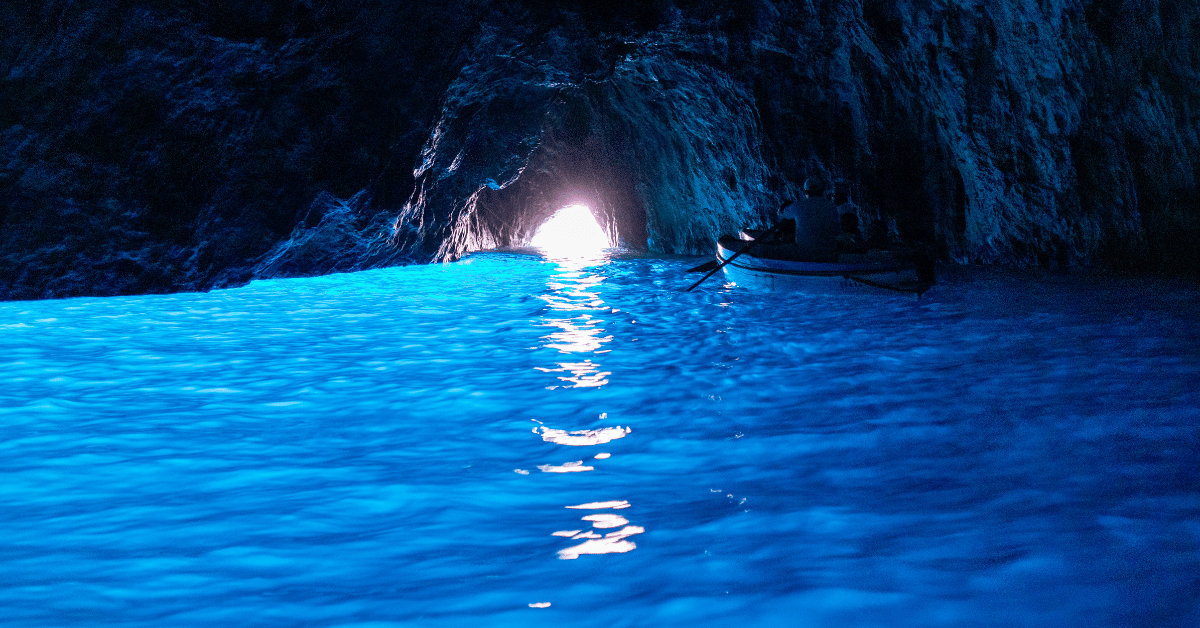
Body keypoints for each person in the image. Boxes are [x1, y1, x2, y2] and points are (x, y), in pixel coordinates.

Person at [777, 176, 841, 260]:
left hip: (804, 253)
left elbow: (781, 213)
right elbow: (837, 231)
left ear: (805, 192)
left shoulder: (798, 206)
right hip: (828, 253)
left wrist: (784, 206)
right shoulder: (832, 207)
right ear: (822, 190)